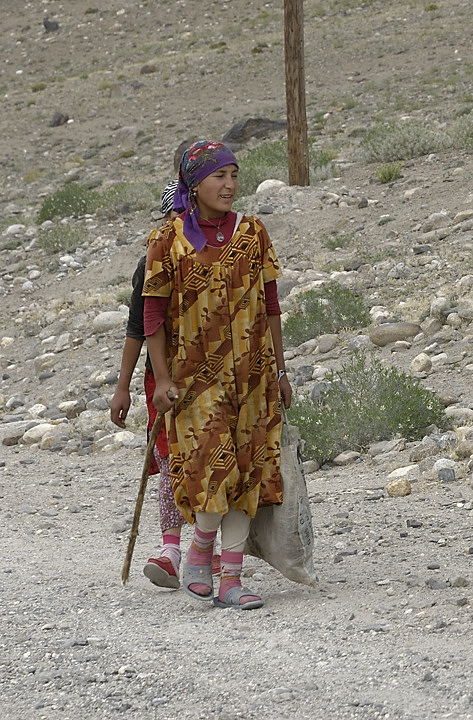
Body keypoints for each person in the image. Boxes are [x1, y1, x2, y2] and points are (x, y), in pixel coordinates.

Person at [143, 140, 291, 610]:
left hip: (253, 378)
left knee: (248, 476)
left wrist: (281, 370)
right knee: (215, 470)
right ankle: (199, 550)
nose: (229, 185)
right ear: (194, 184)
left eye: (234, 175)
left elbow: (270, 306)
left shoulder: (253, 233)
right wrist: (161, 378)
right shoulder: (167, 241)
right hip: (194, 382)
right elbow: (153, 316)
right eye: (218, 177)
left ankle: (231, 579)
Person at [110, 143, 219, 589]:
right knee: (173, 459)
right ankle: (172, 549)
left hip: (216, 372)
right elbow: (140, 323)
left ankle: (206, 551)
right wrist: (124, 387)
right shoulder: (155, 256)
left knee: (212, 457)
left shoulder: (227, 247)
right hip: (166, 379)